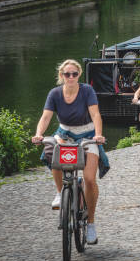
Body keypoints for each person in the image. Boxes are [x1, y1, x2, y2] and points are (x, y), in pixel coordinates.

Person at [31, 59, 107, 245]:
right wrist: (39, 134)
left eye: (74, 74)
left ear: (79, 75)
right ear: (61, 76)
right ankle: (60, 192)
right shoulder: (55, 94)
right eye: (67, 74)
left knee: (89, 179)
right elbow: (46, 116)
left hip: (87, 134)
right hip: (65, 134)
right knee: (53, 151)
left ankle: (90, 223)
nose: (71, 77)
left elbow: (96, 114)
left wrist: (98, 134)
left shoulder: (87, 91)